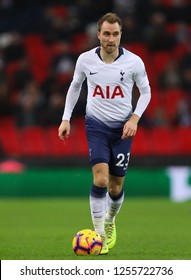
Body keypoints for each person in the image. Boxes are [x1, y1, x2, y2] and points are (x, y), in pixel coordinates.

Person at [58, 12, 151, 255]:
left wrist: (134, 118)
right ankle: (99, 234)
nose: (111, 38)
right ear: (98, 34)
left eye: (115, 34)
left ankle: (109, 222)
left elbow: (147, 92)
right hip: (96, 125)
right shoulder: (85, 60)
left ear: (121, 35)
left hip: (122, 129)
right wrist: (66, 118)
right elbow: (75, 86)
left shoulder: (134, 62)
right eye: (106, 33)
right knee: (100, 179)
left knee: (115, 186)